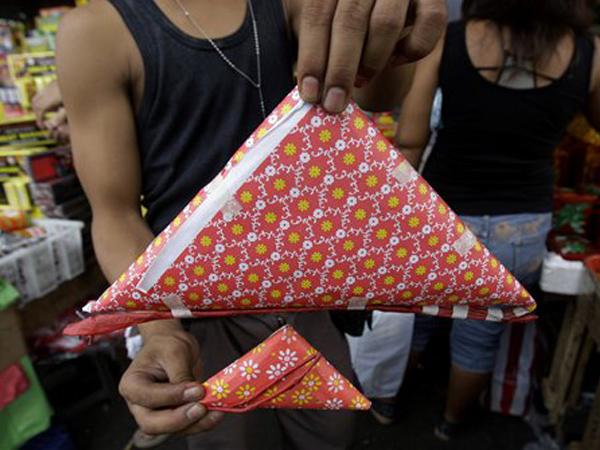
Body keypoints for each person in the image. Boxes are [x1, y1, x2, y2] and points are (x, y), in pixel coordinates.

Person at [55, 0, 446, 449]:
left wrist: (392, 24)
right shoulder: (96, 33)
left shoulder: (291, 6)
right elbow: (114, 213)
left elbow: (379, 93)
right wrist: (161, 333)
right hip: (200, 314)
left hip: (310, 298)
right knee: (229, 439)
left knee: (330, 435)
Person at [395, 0, 600, 440]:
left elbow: (411, 136)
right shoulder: (589, 52)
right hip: (522, 227)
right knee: (480, 336)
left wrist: (391, 217)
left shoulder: (448, 37)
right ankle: (451, 425)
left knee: (412, 320)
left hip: (441, 215)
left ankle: (390, 405)